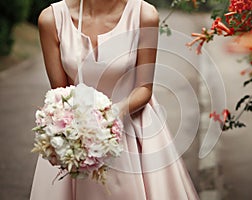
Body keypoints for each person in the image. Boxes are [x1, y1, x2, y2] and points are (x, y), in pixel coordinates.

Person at [30, 0, 200, 199]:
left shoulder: (144, 15)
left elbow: (144, 88)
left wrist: (111, 115)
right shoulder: (51, 19)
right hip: (75, 136)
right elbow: (60, 94)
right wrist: (75, 133)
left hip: (132, 131)